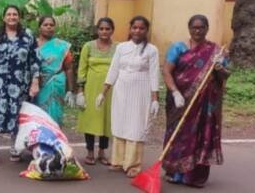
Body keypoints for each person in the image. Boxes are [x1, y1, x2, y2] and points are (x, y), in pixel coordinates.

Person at [162, 15, 229, 187]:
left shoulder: (216, 51)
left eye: (201, 27)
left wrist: (219, 67)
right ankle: (175, 172)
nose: (197, 31)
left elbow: (225, 75)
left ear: (207, 28)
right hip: (180, 101)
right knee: (178, 134)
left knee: (201, 135)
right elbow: (167, 71)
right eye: (194, 27)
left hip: (205, 104)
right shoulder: (178, 47)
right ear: (189, 28)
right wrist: (175, 92)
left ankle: (194, 177)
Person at [98, 15, 160, 178]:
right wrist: (103, 92)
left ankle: (132, 164)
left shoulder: (152, 50)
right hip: (121, 89)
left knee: (136, 125)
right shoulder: (121, 47)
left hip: (140, 90)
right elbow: (113, 70)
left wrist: (155, 98)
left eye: (141, 28)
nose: (137, 31)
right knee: (120, 122)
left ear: (146, 30)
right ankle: (118, 161)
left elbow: (154, 74)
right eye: (134, 27)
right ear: (130, 29)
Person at [0, 5, 40, 164]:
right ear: (4, 17)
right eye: (9, 14)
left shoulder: (27, 36)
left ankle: (15, 150)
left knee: (17, 117)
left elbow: (34, 61)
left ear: (19, 17)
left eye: (15, 14)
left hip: (19, 86)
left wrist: (35, 82)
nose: (12, 17)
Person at [76, 17, 117, 166]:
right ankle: (90, 152)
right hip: (91, 88)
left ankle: (102, 152)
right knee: (90, 119)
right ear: (97, 30)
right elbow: (82, 69)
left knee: (106, 119)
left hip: (110, 89)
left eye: (107, 29)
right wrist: (80, 91)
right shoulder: (88, 46)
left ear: (112, 30)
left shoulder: (118, 48)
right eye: (101, 29)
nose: (104, 31)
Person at [35, 15, 75, 126]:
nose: (49, 27)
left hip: (56, 83)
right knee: (37, 116)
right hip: (37, 84)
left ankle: (54, 135)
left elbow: (69, 68)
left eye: (51, 25)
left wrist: (71, 90)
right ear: (39, 27)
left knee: (54, 117)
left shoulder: (61, 46)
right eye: (45, 25)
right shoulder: (32, 44)